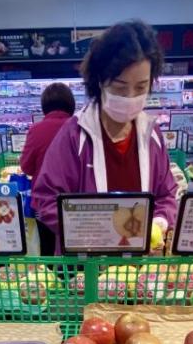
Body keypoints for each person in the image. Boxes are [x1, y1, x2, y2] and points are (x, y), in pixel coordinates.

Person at [31, 20, 177, 251]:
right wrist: (93, 231)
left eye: (141, 87)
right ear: (100, 83)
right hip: (84, 270)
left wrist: (160, 220)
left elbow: (166, 193)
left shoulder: (152, 135)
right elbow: (45, 198)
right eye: (120, 88)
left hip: (139, 269)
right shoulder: (74, 136)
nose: (130, 96)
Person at [19, 83, 75, 178]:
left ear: (44, 105)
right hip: (77, 191)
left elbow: (26, 167)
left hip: (44, 189)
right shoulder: (79, 127)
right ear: (71, 104)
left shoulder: (36, 130)